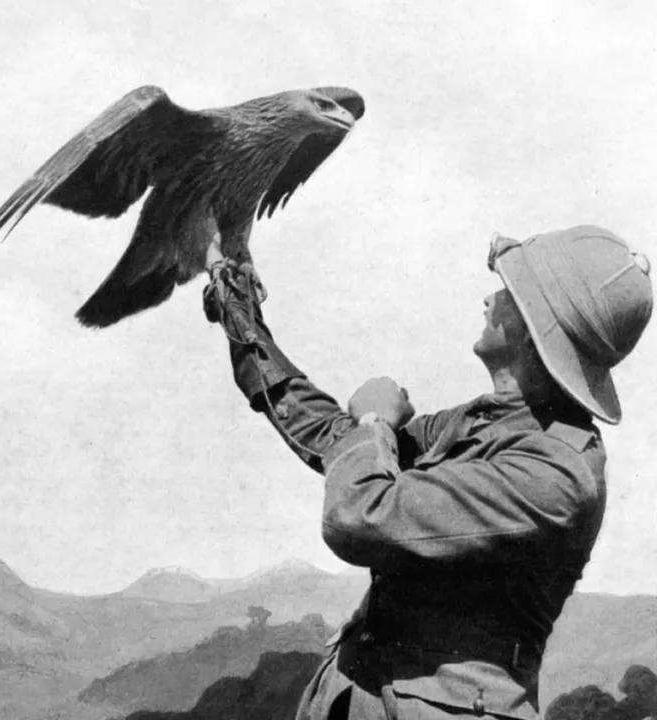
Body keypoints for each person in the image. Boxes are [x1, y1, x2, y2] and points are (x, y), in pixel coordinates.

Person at [202, 225, 652, 720]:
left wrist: (374, 422)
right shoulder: (492, 422)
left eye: (509, 292)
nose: (489, 298)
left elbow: (359, 514)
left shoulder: (556, 475)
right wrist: (239, 312)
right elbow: (339, 443)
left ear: (534, 325)